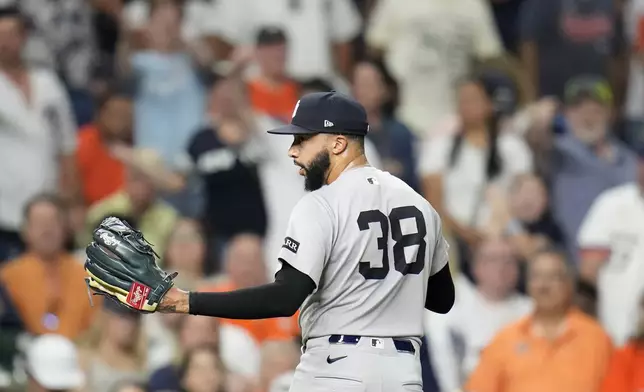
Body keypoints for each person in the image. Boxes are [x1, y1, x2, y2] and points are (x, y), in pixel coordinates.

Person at [86, 91, 455, 391]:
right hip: (404, 375)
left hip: (337, 370)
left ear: (340, 143)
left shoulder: (321, 204)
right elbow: (442, 299)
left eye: (304, 139)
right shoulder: (418, 203)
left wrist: (185, 301)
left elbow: (285, 298)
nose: (293, 150)